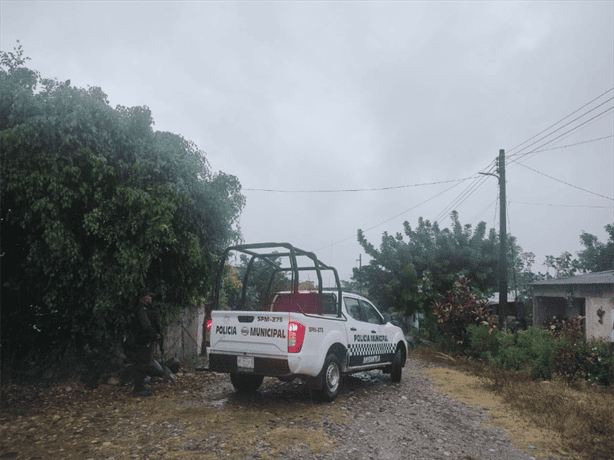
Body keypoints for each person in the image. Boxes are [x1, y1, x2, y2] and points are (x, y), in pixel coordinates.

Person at [131, 288, 161, 396]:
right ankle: (138, 389)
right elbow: (146, 326)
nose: (151, 298)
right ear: (144, 297)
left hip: (143, 341)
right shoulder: (141, 310)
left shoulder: (146, 309)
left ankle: (140, 387)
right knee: (142, 364)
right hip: (142, 341)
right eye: (149, 296)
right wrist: (155, 335)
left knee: (144, 363)